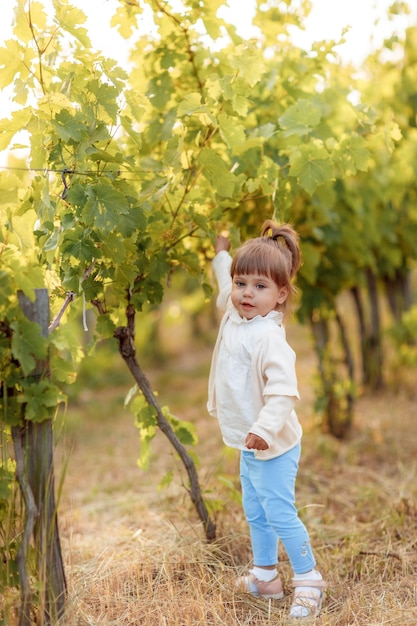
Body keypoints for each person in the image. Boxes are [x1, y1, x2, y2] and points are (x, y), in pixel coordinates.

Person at [207, 220, 326, 619]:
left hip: (273, 444)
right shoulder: (234, 314)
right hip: (248, 442)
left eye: (260, 287)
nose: (246, 293)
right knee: (255, 510)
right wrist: (222, 252)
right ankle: (266, 577)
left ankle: (309, 580)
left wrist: (262, 430)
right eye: (243, 284)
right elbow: (223, 278)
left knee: (279, 511)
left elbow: (283, 393)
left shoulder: (269, 338)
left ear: (280, 296)